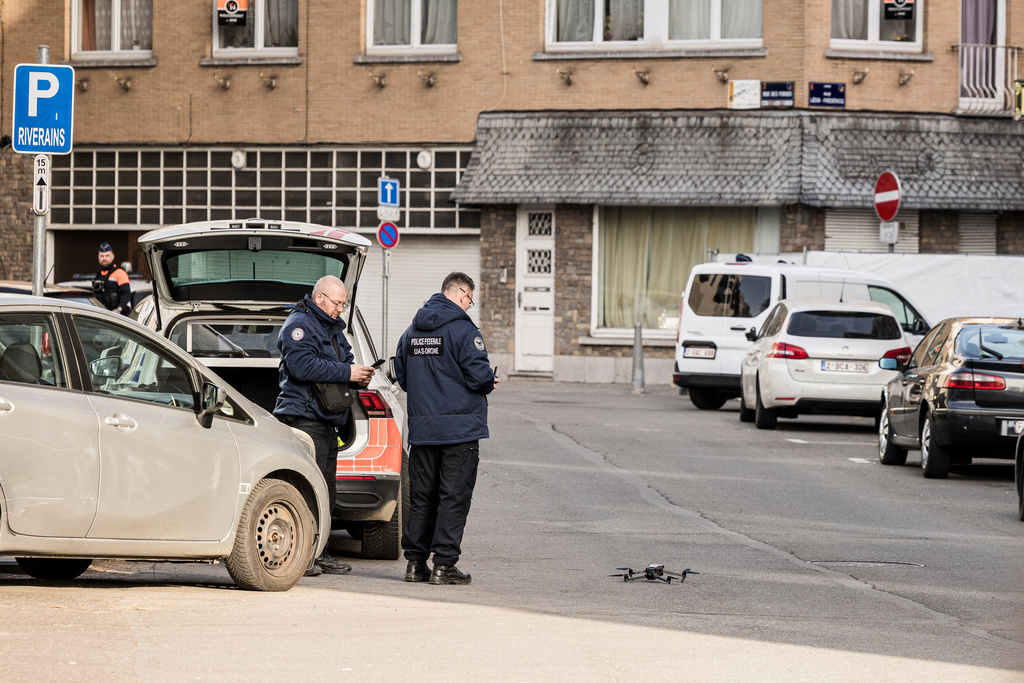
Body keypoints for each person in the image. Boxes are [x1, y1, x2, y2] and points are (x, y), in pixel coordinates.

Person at [395, 272, 499, 585]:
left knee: (422, 498)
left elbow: (402, 374)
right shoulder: (463, 330)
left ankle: (415, 563)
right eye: (469, 299)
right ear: (462, 294)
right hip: (460, 431)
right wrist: (488, 381)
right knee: (453, 497)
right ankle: (444, 565)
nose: (469, 305)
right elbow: (480, 376)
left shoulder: (412, 330)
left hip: (423, 431)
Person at [274, 275, 374, 577]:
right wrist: (347, 372)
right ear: (319, 298)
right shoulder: (298, 325)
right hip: (306, 419)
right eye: (337, 303)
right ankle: (304, 557)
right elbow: (302, 366)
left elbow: (347, 357)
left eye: (343, 304)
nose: (340, 309)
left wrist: (359, 373)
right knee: (308, 490)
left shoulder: (332, 328)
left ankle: (321, 552)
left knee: (325, 491)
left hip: (327, 421)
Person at [91, 242, 132, 315]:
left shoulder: (119, 272)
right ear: (98, 257)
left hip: (119, 315)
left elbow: (127, 293)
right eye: (102, 256)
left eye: (107, 256)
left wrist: (119, 309)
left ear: (112, 257)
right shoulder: (98, 276)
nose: (104, 258)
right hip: (103, 314)